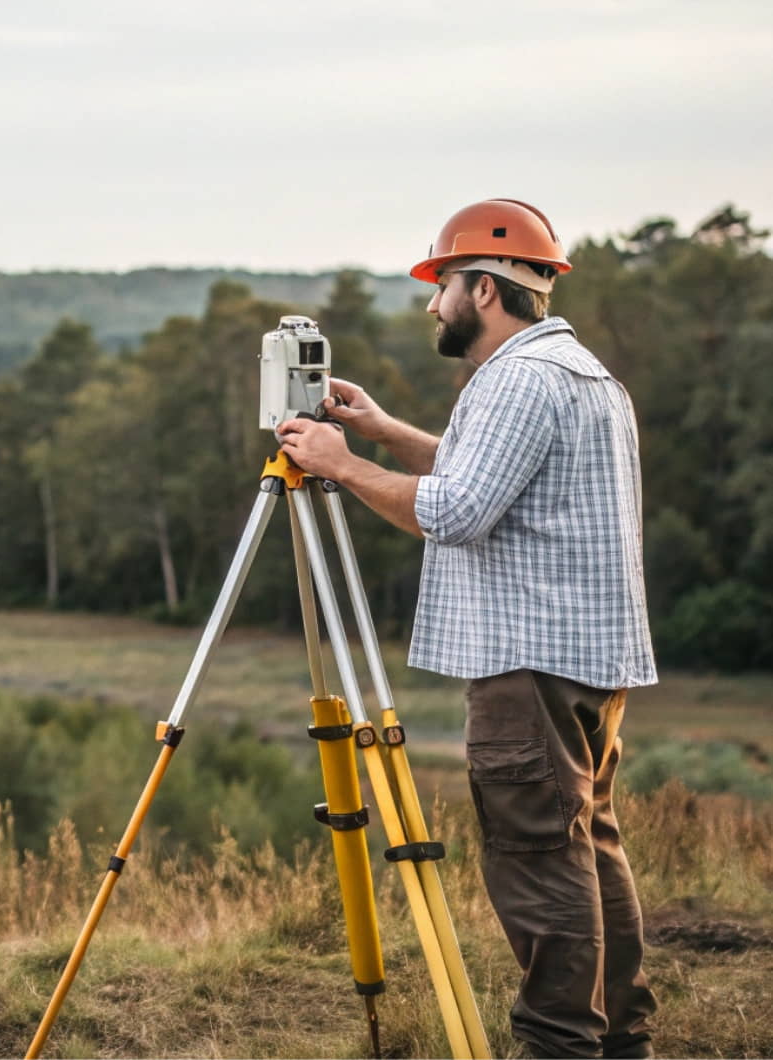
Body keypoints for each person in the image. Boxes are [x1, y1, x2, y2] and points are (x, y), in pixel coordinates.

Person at [278, 199, 659, 1059]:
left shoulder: (517, 379)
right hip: (585, 659)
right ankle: (620, 1040)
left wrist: (343, 465)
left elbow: (458, 511)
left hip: (531, 662)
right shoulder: (574, 371)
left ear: (483, 288)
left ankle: (561, 1044)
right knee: (587, 844)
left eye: (441, 285)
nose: (430, 305)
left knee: (537, 858)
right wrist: (378, 432)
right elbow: (474, 467)